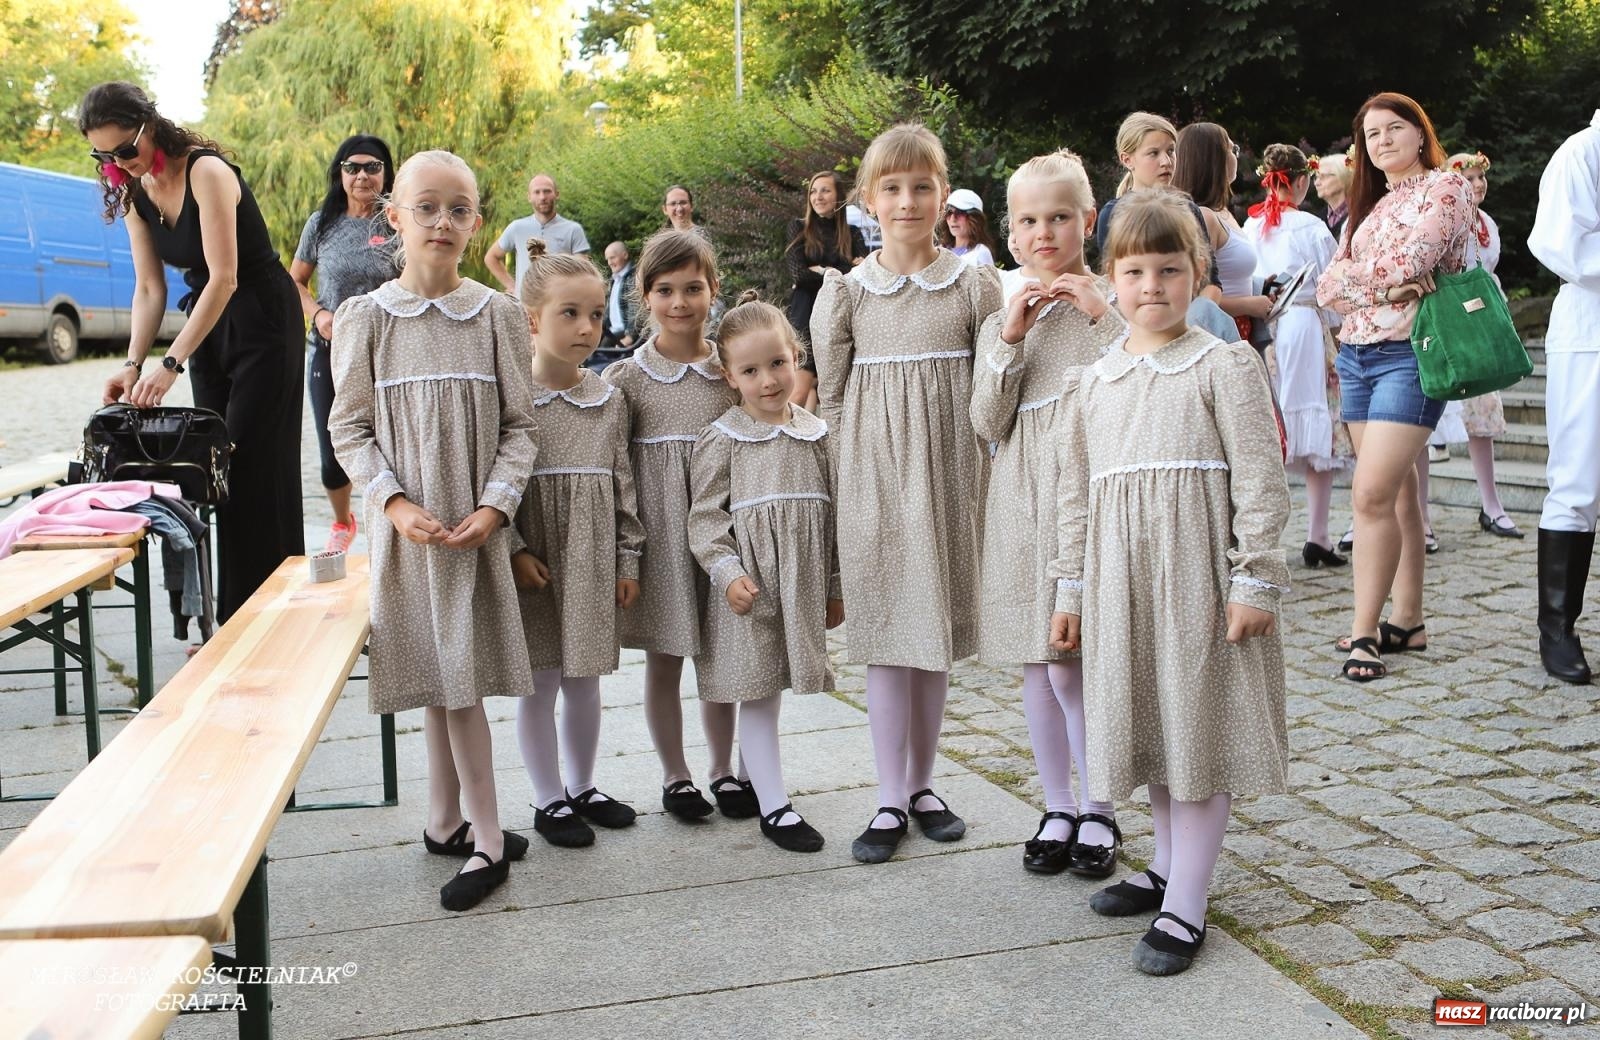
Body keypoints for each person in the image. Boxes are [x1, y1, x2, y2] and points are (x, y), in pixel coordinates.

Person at [1048, 188, 1290, 977]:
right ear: (1110, 280)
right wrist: (1070, 591)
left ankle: (1188, 901)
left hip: (1198, 583)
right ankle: (1164, 865)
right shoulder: (1093, 383)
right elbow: (1076, 499)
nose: (1151, 286)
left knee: (1198, 731)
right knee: (1156, 727)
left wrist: (1255, 579)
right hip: (1122, 587)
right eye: (1135, 272)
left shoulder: (1224, 365)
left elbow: (1261, 481)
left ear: (1196, 274)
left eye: (1169, 269)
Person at [328, 150, 538, 911]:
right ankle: (453, 824)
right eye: (426, 207)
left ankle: (481, 837)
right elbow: (349, 428)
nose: (442, 222)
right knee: (439, 678)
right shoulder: (368, 318)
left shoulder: (496, 314)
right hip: (411, 534)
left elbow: (520, 427)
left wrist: (496, 507)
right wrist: (390, 503)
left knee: (461, 683)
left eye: (458, 209)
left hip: (472, 531)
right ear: (394, 217)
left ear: (477, 221)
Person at [811, 123, 1003, 864]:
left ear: (942, 194)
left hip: (951, 477)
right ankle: (889, 795)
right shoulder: (847, 293)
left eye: (922, 187)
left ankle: (923, 785)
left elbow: (993, 384)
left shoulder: (973, 283)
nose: (908, 201)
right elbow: (832, 400)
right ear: (868, 199)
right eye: (891, 188)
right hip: (877, 482)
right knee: (890, 637)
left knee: (933, 638)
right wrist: (845, 481)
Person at [80, 81, 304, 623]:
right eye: (103, 157)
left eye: (125, 150)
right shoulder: (133, 192)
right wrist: (133, 365)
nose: (118, 165)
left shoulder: (206, 171)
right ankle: (235, 618)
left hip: (263, 320)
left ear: (150, 126)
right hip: (208, 326)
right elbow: (149, 288)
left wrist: (170, 365)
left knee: (257, 469)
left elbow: (225, 277)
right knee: (216, 470)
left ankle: (273, 613)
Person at [970, 150, 1125, 877]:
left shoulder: (1116, 303)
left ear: (1087, 222)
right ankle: (1058, 803)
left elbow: (1138, 379)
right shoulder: (1004, 321)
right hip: (1020, 501)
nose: (1044, 233)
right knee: (1038, 662)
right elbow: (985, 421)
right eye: (1029, 221)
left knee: (1077, 663)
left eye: (1059, 217)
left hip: (1089, 498)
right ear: (1011, 233)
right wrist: (1009, 339)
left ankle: (1101, 805)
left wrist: (1101, 316)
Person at [1315, 92, 1474, 682]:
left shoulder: (1445, 188)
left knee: (1370, 496)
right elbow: (1327, 286)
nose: (1382, 141)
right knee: (1400, 494)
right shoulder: (1371, 205)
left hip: (1411, 354)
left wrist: (1368, 281)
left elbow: (1413, 262)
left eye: (1393, 128)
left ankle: (1365, 635)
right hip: (1357, 356)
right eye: (1371, 135)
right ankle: (1408, 621)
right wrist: (1382, 289)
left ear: (1419, 132)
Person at [687, 293, 844, 853]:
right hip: (749, 592)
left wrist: (833, 588)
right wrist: (728, 573)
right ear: (730, 377)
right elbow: (706, 518)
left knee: (772, 686)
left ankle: (752, 776)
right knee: (756, 692)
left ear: (796, 356)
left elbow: (833, 519)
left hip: (799, 588)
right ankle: (775, 808)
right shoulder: (724, 437)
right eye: (750, 371)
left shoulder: (818, 435)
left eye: (777, 363)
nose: (769, 380)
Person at [601, 229, 747, 820]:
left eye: (693, 288)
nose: (680, 302)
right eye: (665, 290)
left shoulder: (731, 370)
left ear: (714, 289)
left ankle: (724, 770)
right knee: (665, 659)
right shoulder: (627, 380)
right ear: (645, 296)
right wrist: (625, 555)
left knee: (723, 656)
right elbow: (616, 473)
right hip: (660, 539)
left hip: (723, 536)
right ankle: (675, 775)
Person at [511, 241, 644, 848]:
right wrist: (514, 548)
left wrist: (627, 557)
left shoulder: (608, 399)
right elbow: (493, 483)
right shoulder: (513, 396)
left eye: (594, 314)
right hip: (536, 560)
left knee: (585, 680)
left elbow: (623, 486)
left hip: (591, 558)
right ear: (532, 319)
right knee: (541, 681)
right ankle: (548, 798)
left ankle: (583, 785)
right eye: (570, 313)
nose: (587, 328)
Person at [290, 134, 397, 555]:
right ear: (340, 174)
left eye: (372, 167)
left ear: (386, 173)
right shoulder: (322, 223)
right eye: (352, 167)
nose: (362, 175)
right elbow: (295, 281)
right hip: (329, 350)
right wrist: (318, 314)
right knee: (333, 445)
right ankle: (341, 522)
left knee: (390, 444)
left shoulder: (399, 222)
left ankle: (389, 523)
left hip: (388, 352)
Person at [1242, 144, 1346, 567]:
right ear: (1301, 181)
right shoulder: (1312, 227)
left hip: (1263, 326)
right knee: (1316, 421)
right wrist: (1338, 331)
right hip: (1303, 323)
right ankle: (1317, 534)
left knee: (1272, 422)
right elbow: (1333, 287)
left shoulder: (1250, 226)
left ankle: (1270, 537)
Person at [1528, 108, 1600, 685]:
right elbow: (1561, 244)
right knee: (1578, 478)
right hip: (1591, 332)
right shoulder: (1581, 152)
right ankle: (1557, 627)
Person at [1425, 151, 1522, 540]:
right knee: (1429, 422)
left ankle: (1491, 506)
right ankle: (1422, 519)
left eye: (1482, 177)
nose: (1478, 184)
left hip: (1481, 318)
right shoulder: (1441, 218)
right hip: (1449, 317)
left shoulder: (1487, 223)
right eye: (1470, 177)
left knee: (1483, 414)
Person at [1096, 111, 1236, 341]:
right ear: (1127, 160)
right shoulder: (1113, 214)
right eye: (1153, 153)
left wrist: (1191, 323)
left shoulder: (1188, 209)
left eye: (1171, 151)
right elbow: (1115, 285)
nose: (1166, 161)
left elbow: (1211, 283)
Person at [1172, 122, 1273, 341]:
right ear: (1213, 159)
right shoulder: (1204, 217)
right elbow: (1197, 299)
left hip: (1238, 328)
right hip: (1219, 332)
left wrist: (1259, 285)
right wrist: (1248, 305)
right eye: (1231, 149)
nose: (1236, 156)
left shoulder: (1222, 212)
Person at [785, 171, 867, 411]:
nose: (817, 197)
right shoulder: (798, 228)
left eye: (825, 190)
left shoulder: (852, 233)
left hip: (838, 314)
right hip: (805, 313)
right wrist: (840, 271)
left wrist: (821, 270)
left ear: (838, 196)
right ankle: (778, 433)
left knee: (831, 392)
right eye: (813, 191)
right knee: (798, 391)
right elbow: (799, 275)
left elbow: (861, 275)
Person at [485, 173, 591, 295]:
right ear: (529, 197)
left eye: (547, 191)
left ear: (557, 194)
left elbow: (582, 271)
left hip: (559, 302)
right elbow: (491, 257)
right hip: (524, 303)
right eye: (537, 192)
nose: (542, 197)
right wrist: (512, 286)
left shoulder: (573, 230)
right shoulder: (517, 228)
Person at [595, 240, 641, 369]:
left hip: (626, 332)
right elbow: (608, 310)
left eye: (612, 257)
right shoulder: (614, 279)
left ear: (625, 255)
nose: (609, 262)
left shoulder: (633, 277)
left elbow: (635, 308)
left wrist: (630, 336)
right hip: (612, 331)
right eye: (607, 259)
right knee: (596, 356)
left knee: (604, 362)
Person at [937, 188, 998, 267]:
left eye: (959, 213)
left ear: (975, 218)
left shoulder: (981, 253)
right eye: (949, 213)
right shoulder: (939, 251)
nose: (953, 219)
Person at [1313, 151, 1354, 242]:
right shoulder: (1316, 220)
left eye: (1323, 176)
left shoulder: (1361, 214)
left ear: (1344, 178)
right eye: (1316, 177)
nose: (1316, 183)